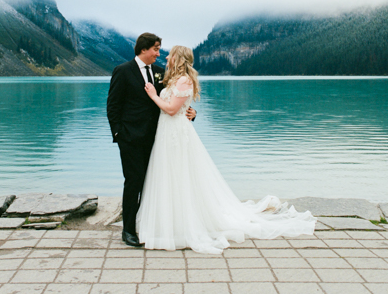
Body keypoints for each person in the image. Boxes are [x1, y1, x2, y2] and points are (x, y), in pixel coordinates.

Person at [137, 45, 316, 254]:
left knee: (182, 174)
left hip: (176, 133)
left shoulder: (184, 79)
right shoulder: (174, 78)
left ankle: (184, 224)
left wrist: (152, 94)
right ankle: (169, 220)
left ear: (178, 58)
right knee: (169, 174)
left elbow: (171, 109)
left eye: (170, 54)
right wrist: (187, 110)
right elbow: (179, 106)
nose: (166, 57)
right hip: (168, 133)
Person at [106, 33, 196, 247]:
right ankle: (128, 231)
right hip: (130, 138)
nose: (159, 53)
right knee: (133, 183)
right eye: (156, 49)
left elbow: (174, 101)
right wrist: (118, 134)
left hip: (158, 139)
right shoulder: (123, 71)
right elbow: (113, 106)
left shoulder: (159, 73)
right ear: (143, 49)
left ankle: (148, 225)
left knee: (153, 182)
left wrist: (192, 113)